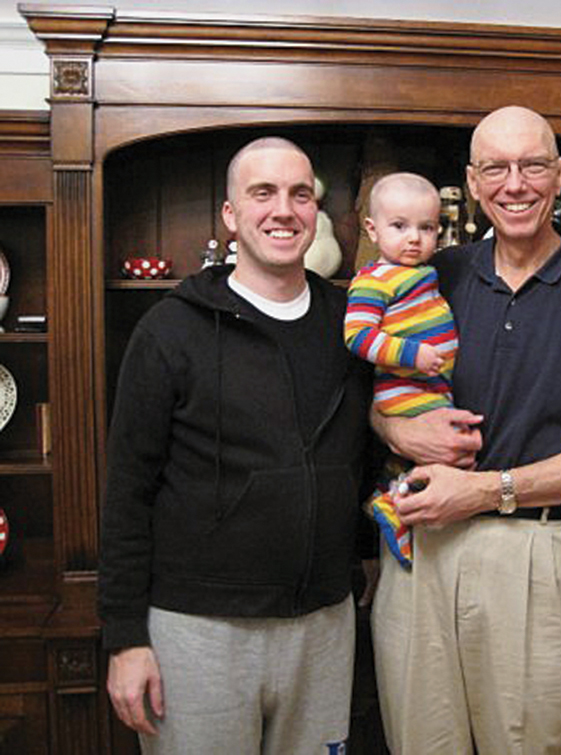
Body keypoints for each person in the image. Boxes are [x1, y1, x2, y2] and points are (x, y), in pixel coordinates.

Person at [369, 105, 561, 754]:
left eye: (533, 165)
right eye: (496, 168)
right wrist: (397, 431)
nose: (515, 184)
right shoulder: (433, 276)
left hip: (537, 554)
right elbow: (373, 389)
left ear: (558, 176)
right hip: (420, 549)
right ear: (472, 183)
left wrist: (482, 490)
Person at [98, 136, 373, 754]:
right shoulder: (170, 329)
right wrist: (124, 638)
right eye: (263, 193)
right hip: (198, 632)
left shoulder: (353, 325)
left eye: (300, 194)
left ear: (317, 213)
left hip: (323, 626)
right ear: (230, 215)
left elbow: (365, 456)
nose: (284, 210)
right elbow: (126, 491)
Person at [345, 172, 458, 568]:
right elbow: (357, 337)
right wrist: (413, 355)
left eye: (427, 227)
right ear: (372, 230)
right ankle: (393, 508)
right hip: (403, 388)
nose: (415, 238)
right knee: (446, 456)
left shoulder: (422, 272)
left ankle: (388, 497)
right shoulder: (373, 280)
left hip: (430, 386)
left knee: (429, 457)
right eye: (400, 226)